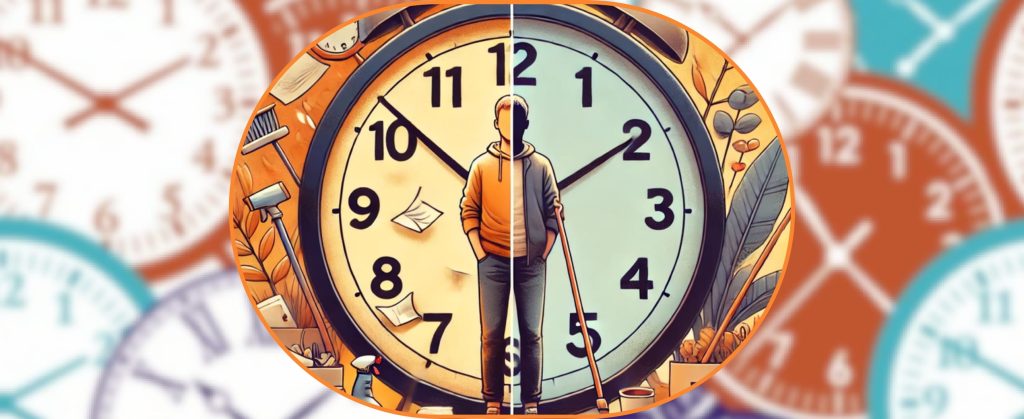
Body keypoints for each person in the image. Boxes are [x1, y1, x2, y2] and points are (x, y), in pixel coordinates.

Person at [460, 94, 561, 415]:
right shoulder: (482, 166)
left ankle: (531, 402)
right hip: (493, 262)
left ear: (525, 125)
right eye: (505, 121)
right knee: (491, 334)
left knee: (531, 334)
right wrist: (480, 252)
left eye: (517, 121)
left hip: (531, 264)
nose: (511, 127)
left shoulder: (541, 166)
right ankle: (492, 400)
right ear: (496, 124)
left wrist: (544, 252)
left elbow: (554, 213)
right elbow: (468, 209)